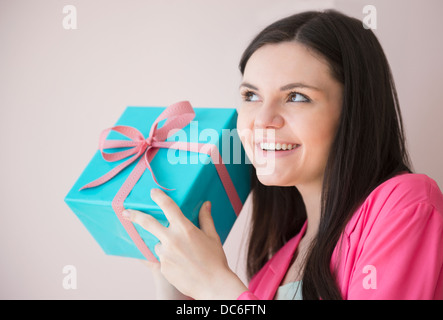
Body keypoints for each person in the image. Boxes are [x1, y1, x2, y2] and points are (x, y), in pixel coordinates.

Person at [122, 10, 443, 300]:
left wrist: (217, 287)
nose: (262, 120)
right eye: (251, 95)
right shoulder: (274, 269)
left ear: (354, 111)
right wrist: (176, 293)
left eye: (296, 96)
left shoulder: (406, 203)